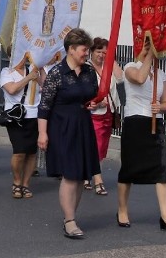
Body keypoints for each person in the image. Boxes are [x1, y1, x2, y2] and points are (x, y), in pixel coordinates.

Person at [38, 28, 100, 240]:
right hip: (62, 127)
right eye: (84, 50)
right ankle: (69, 220)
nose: (87, 54)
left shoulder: (90, 72)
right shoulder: (56, 73)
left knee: (82, 174)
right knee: (70, 174)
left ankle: (71, 214)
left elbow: (92, 95)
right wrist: (42, 134)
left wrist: (91, 104)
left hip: (83, 125)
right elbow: (44, 106)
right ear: (71, 49)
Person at [116, 48, 166, 233]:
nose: (150, 51)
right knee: (129, 169)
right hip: (135, 122)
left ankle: (165, 216)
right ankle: (122, 211)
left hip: (155, 124)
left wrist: (160, 106)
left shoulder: (161, 73)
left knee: (162, 169)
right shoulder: (130, 67)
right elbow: (140, 78)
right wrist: (150, 55)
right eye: (147, 47)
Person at [0, 62, 43, 199]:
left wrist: (41, 69)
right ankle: (17, 182)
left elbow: (45, 86)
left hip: (34, 115)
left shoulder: (34, 69)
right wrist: (28, 78)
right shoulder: (7, 72)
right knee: (19, 151)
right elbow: (12, 90)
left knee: (31, 152)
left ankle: (26, 184)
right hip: (15, 116)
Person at [86, 37, 123, 195]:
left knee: (101, 147)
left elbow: (121, 78)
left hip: (109, 113)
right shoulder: (87, 68)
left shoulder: (109, 67)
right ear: (91, 52)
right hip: (92, 114)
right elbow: (83, 91)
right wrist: (95, 101)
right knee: (96, 145)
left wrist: (111, 59)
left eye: (104, 52)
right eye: (98, 51)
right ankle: (98, 179)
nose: (101, 55)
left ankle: (87, 174)